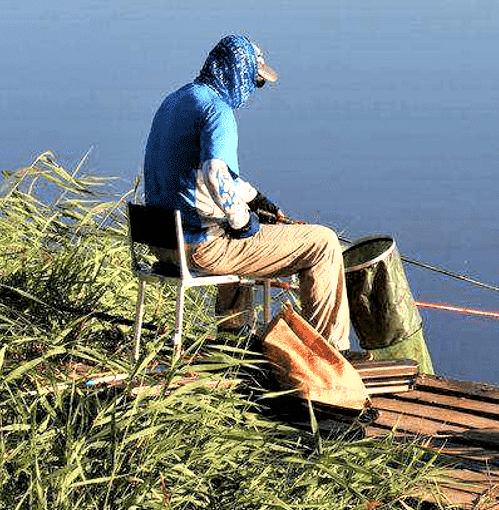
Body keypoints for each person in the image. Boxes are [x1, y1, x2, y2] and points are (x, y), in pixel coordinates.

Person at [142, 34, 352, 353]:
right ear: (238, 73)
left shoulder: (176, 100)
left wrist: (256, 200)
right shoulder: (218, 111)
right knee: (323, 243)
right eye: (255, 81)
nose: (254, 90)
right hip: (199, 249)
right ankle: (329, 352)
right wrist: (242, 220)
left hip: (163, 243)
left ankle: (233, 337)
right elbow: (215, 173)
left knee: (232, 230)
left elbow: (200, 173)